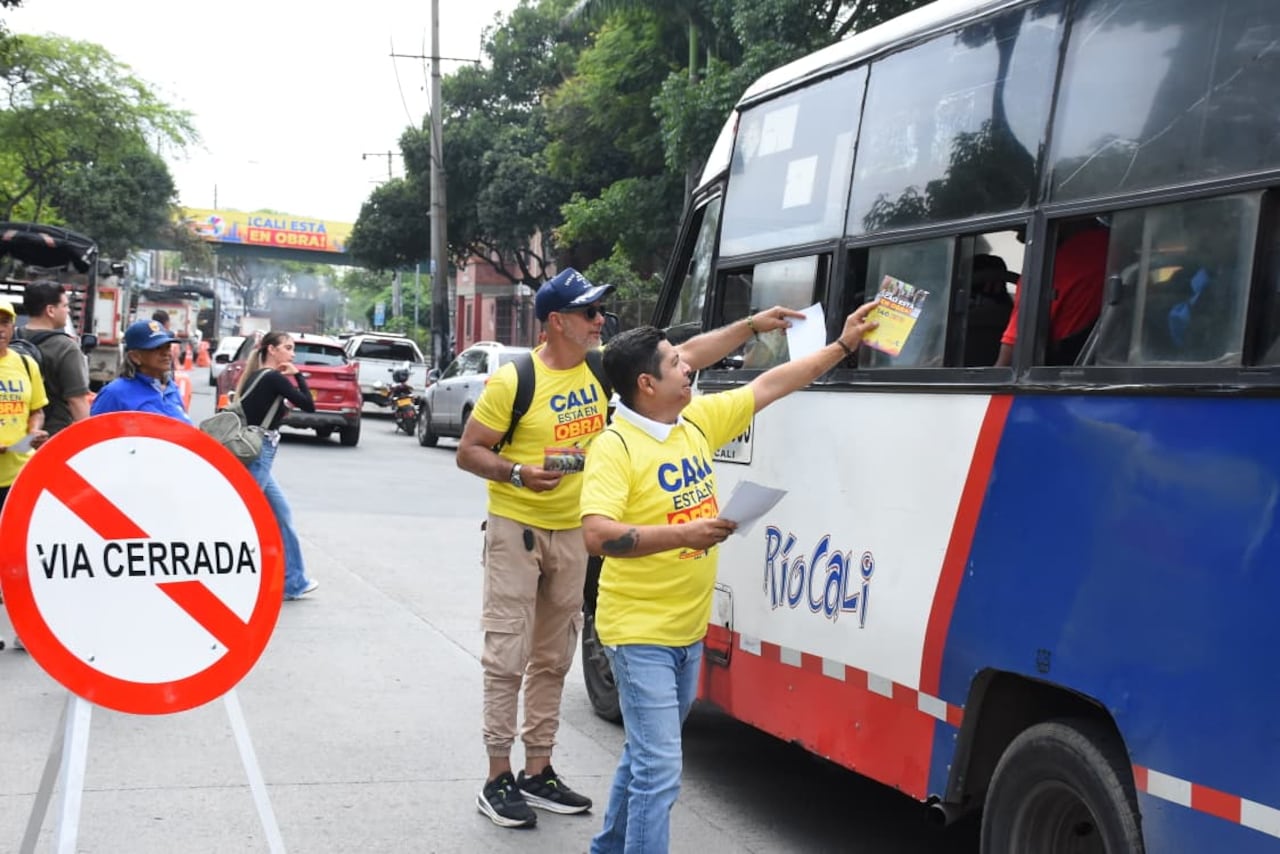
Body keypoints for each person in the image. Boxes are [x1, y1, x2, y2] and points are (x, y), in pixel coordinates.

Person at [457, 267, 804, 829]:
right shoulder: (514, 380)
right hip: (517, 530)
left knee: (554, 656)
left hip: (574, 531)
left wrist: (751, 326)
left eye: (600, 311)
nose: (600, 321)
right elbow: (469, 451)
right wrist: (518, 473)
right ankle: (498, 776)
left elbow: (687, 353)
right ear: (557, 322)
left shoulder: (602, 369)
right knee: (507, 657)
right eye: (589, 313)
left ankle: (538, 771)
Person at [579, 301, 877, 853]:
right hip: (638, 632)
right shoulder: (615, 447)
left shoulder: (694, 420)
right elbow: (597, 535)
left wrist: (842, 347)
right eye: (675, 362)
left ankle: (606, 848)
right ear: (647, 383)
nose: (688, 366)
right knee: (661, 771)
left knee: (646, 758)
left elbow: (770, 386)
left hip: (688, 631)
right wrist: (684, 535)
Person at [236, 331, 319, 601]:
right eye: (288, 348)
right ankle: (230, 575)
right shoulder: (272, 377)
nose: (292, 354)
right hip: (260, 451)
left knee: (282, 514)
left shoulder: (254, 377)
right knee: (245, 516)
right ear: (272, 350)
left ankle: (295, 581)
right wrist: (297, 375)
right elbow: (308, 404)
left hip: (257, 450)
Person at [0, 297, 49, 652]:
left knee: (19, 557)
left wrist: (32, 433)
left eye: (4, 322)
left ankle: (25, 631)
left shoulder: (25, 365)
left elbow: (38, 409)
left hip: (17, 475)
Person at [995, 220, 1108, 367]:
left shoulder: (1046, 267)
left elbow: (1013, 355)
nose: (1021, 239)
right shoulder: (1117, 245)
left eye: (1023, 227)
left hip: (1062, 376)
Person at [20, 280, 91, 435]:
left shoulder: (11, 339)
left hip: (13, 437)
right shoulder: (65, 347)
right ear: (50, 310)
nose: (68, 311)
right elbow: (77, 401)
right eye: (65, 306)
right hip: (49, 438)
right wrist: (91, 440)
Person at [91, 319, 191, 422]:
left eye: (167, 347)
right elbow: (94, 433)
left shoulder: (172, 389)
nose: (166, 353)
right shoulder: (115, 393)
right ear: (135, 357)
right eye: (157, 348)